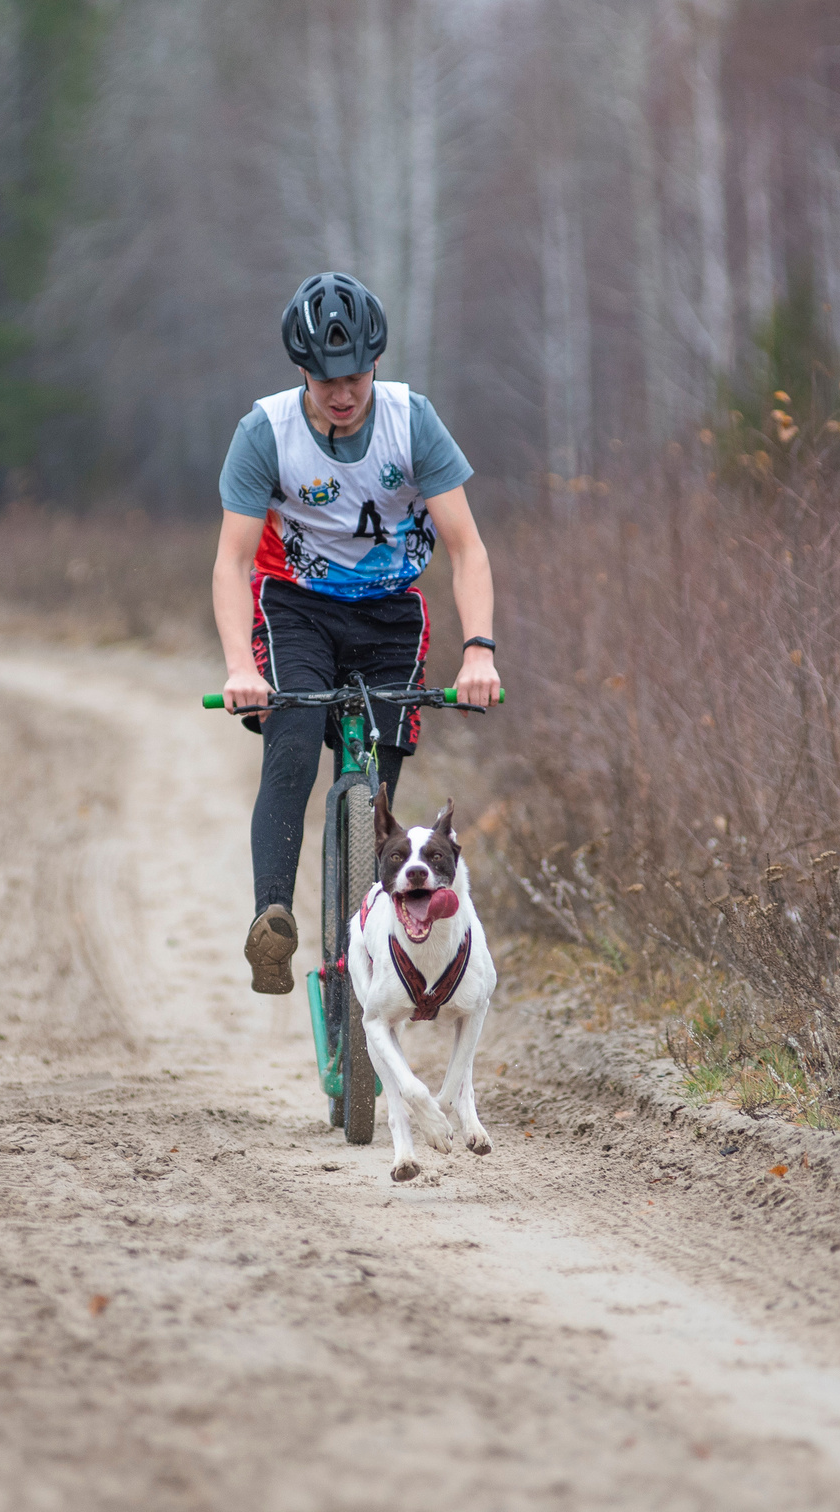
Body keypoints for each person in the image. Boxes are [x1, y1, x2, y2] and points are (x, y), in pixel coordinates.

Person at [213, 271, 503, 995]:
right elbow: (231, 560)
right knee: (288, 748)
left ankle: (368, 942)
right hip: (296, 607)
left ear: (375, 363)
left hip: (388, 614)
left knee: (376, 795)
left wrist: (479, 649)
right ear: (302, 373)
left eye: (356, 376)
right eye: (324, 380)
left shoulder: (413, 422)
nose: (342, 393)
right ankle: (272, 921)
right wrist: (238, 667)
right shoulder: (265, 432)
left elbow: (467, 547)